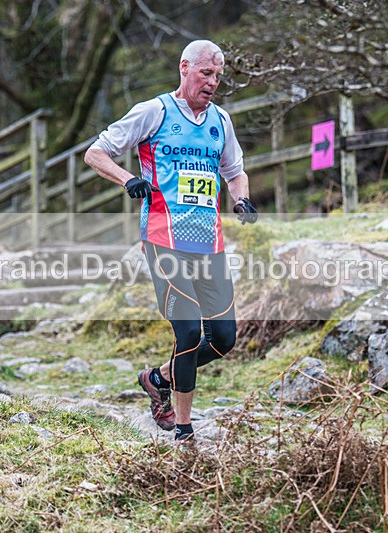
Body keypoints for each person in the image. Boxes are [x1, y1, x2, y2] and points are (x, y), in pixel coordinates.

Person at [84, 40, 258, 442]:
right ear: (184, 68)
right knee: (189, 333)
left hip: (209, 243)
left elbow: (234, 171)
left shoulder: (221, 121)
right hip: (164, 239)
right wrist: (128, 179)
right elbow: (96, 152)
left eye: (218, 76)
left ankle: (158, 378)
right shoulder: (155, 112)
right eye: (206, 73)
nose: (212, 83)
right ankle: (183, 429)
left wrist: (242, 199)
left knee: (224, 339)